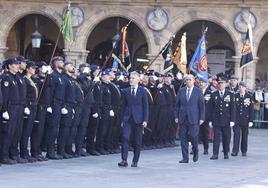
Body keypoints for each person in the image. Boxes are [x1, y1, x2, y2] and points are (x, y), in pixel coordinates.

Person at [118, 71, 149, 167]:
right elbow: (123, 106)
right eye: (130, 78)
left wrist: (145, 120)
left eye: (133, 78)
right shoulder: (126, 91)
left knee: (137, 140)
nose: (131, 80)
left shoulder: (143, 91)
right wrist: (122, 119)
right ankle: (124, 159)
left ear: (138, 80)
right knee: (125, 138)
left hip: (138, 119)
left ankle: (135, 160)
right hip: (128, 118)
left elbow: (145, 106)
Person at [175, 74, 205, 163]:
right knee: (183, 138)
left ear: (193, 81)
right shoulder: (181, 91)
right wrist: (176, 116)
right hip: (183, 118)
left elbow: (201, 106)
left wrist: (201, 118)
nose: (188, 81)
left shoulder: (198, 91)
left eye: (190, 80)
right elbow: (177, 105)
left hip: (194, 118)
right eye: (187, 80)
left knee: (193, 136)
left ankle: (195, 150)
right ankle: (185, 158)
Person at [0, 57, 21, 164]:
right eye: (15, 64)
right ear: (9, 66)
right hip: (9, 108)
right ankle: (3, 156)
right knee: (7, 132)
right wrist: (4, 110)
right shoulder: (6, 78)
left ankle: (8, 154)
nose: (18, 66)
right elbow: (5, 95)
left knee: (13, 132)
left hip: (16, 108)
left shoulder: (14, 77)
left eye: (18, 64)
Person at [210, 77, 236, 160]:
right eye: (219, 83)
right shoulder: (214, 94)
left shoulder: (230, 94)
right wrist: (210, 120)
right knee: (216, 138)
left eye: (222, 83)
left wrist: (232, 120)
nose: (221, 85)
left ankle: (225, 153)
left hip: (226, 120)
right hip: (216, 120)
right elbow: (211, 108)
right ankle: (215, 154)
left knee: (226, 137)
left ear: (225, 84)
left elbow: (233, 108)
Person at [231, 81, 254, 157]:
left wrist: (251, 120)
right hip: (237, 119)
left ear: (245, 88)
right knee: (236, 135)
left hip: (245, 119)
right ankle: (235, 150)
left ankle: (244, 150)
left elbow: (251, 109)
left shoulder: (249, 96)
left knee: (244, 135)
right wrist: (232, 119)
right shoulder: (235, 96)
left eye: (242, 87)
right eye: (240, 87)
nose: (241, 88)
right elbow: (233, 108)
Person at [198, 77, 212, 155]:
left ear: (206, 84)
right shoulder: (196, 92)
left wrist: (210, 118)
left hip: (206, 117)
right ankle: (194, 148)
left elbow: (211, 107)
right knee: (195, 133)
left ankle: (205, 149)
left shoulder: (210, 93)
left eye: (202, 82)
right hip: (197, 117)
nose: (201, 84)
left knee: (205, 134)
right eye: (200, 82)